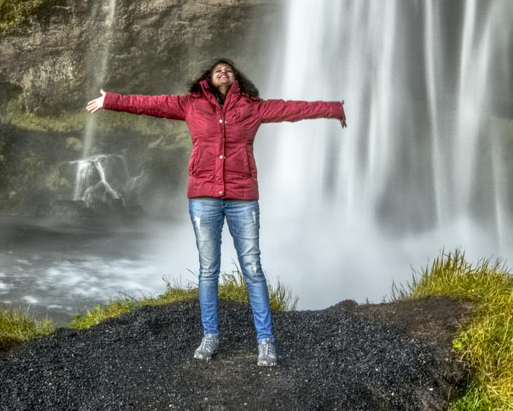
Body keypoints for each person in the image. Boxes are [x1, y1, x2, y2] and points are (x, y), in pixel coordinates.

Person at [85, 58, 344, 367]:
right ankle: (210, 336)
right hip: (203, 197)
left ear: (237, 78)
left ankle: (265, 341)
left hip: (242, 197)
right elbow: (149, 104)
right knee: (209, 270)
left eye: (229, 69)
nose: (224, 71)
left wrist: (334, 108)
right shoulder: (189, 104)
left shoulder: (252, 107)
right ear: (207, 77)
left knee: (252, 267)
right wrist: (110, 100)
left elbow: (293, 109)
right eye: (218, 69)